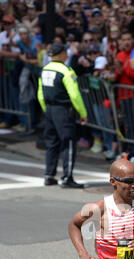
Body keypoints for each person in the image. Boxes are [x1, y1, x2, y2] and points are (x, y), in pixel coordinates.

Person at [37, 42, 88, 188]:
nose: (67, 55)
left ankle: (49, 175)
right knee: (68, 142)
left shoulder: (44, 69)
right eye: (65, 52)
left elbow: (40, 93)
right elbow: (74, 95)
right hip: (63, 110)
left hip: (49, 110)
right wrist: (82, 113)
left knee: (51, 143)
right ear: (61, 54)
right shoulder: (67, 71)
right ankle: (67, 177)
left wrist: (45, 109)